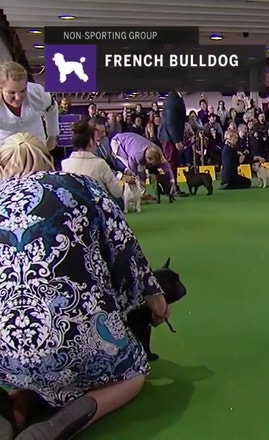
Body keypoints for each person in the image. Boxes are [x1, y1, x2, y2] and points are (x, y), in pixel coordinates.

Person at [0, 132, 169, 439]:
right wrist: (154, 298)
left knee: (27, 374)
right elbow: (124, 250)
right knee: (132, 376)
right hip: (77, 336)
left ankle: (14, 408)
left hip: (8, 351)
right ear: (49, 162)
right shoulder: (80, 185)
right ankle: (59, 425)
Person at [60, 119, 131, 205]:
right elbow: (117, 192)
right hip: (97, 209)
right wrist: (121, 182)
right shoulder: (100, 164)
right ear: (90, 141)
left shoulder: (65, 164)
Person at [0, 61, 59, 149]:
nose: (18, 97)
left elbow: (52, 109)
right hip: (6, 146)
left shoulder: (38, 92)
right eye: (11, 93)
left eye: (23, 90)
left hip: (36, 142)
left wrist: (52, 136)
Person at [111, 131, 176, 197]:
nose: (153, 164)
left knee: (141, 172)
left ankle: (142, 193)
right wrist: (141, 177)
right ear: (147, 159)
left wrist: (172, 181)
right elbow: (133, 169)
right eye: (152, 163)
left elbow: (166, 165)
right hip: (118, 143)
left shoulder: (157, 150)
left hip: (130, 140)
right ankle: (134, 195)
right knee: (131, 172)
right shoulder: (135, 155)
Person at [158, 89, 188, 197]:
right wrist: (177, 140)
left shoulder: (175, 98)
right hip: (169, 137)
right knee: (171, 163)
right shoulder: (173, 99)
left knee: (173, 163)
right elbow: (171, 122)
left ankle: (173, 187)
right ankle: (172, 188)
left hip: (169, 136)